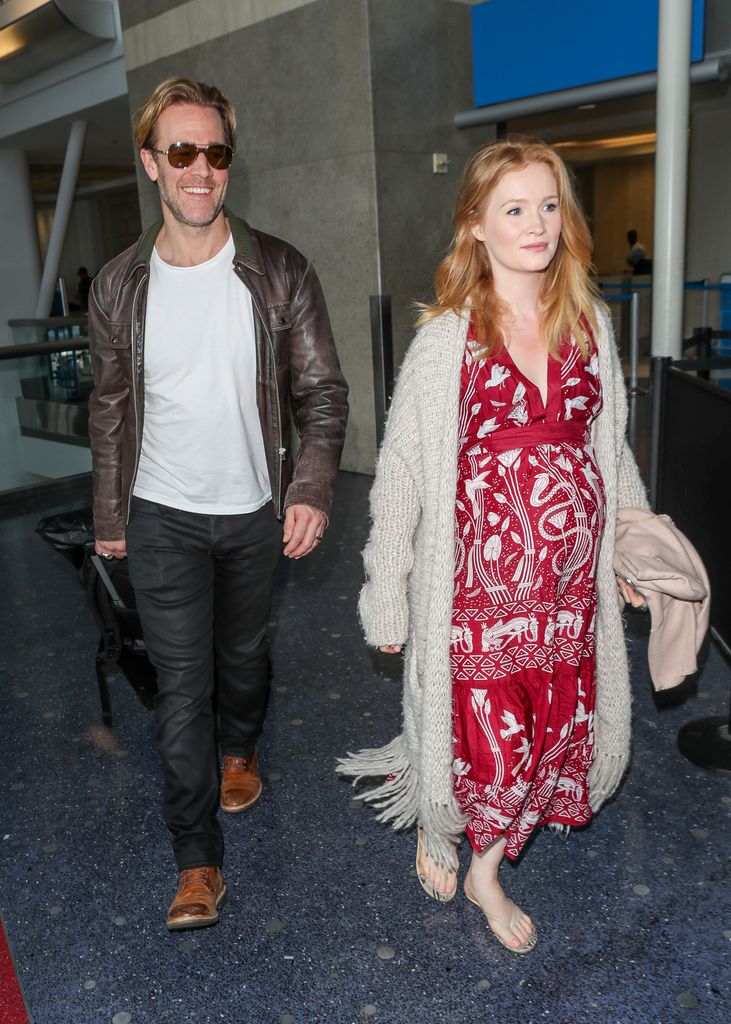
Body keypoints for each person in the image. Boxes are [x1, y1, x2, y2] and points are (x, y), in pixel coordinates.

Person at [338, 137, 647, 954]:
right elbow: (400, 477)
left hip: (567, 594)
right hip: (476, 595)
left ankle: (473, 836)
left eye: (548, 205)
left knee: (549, 737)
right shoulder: (448, 340)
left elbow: (608, 453)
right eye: (514, 209)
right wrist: (385, 591)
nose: (536, 224)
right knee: (488, 750)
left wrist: (632, 545)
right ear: (474, 224)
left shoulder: (590, 324)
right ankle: (473, 863)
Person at [88, 77, 348, 931]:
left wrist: (309, 488)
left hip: (251, 513)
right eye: (181, 152)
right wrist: (109, 519)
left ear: (227, 162)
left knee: (243, 662)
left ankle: (243, 746)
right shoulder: (121, 286)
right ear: (152, 165)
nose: (200, 169)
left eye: (215, 152)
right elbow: (111, 409)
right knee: (178, 688)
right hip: (161, 511)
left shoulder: (278, 270)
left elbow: (321, 391)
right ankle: (196, 861)